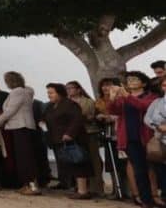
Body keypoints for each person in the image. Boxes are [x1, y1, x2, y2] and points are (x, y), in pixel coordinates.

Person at [110, 71, 159, 207]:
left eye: (135, 79)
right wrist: (113, 98)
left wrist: (127, 96)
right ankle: (146, 200)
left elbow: (143, 106)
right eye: (129, 79)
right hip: (129, 138)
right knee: (139, 170)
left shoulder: (152, 97)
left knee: (155, 169)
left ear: (143, 83)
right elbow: (114, 111)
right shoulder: (123, 98)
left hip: (148, 138)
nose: (130, 81)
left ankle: (156, 196)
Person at [42, 83, 94, 200]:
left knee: (79, 163)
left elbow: (77, 120)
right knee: (69, 164)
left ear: (59, 93)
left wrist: (69, 133)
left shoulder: (70, 104)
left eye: (51, 92)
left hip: (73, 139)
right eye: (48, 93)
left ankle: (83, 191)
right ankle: (76, 189)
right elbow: (45, 118)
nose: (49, 95)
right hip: (58, 139)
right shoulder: (51, 106)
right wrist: (42, 124)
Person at [0, 71, 40, 196]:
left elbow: (11, 109)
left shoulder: (17, 92)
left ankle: (32, 186)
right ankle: (27, 184)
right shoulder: (27, 91)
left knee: (24, 158)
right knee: (24, 156)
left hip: (20, 125)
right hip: (23, 126)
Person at [67, 80, 103, 196]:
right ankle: (79, 185)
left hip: (89, 133)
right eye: (67, 88)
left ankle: (97, 187)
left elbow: (85, 115)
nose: (69, 90)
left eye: (71, 88)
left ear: (78, 89)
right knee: (76, 159)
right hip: (73, 134)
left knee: (94, 160)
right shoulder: (66, 102)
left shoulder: (87, 101)